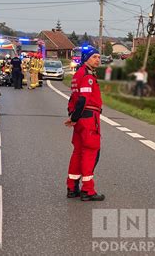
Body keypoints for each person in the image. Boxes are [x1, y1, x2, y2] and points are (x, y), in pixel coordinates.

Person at [64, 45, 105, 201]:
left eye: (99, 57)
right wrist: (74, 118)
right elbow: (83, 99)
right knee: (90, 152)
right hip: (88, 118)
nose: (97, 60)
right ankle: (88, 190)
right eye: (94, 57)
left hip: (80, 118)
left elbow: (73, 98)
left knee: (78, 152)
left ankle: (72, 187)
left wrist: (73, 116)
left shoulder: (78, 74)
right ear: (86, 59)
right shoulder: (87, 76)